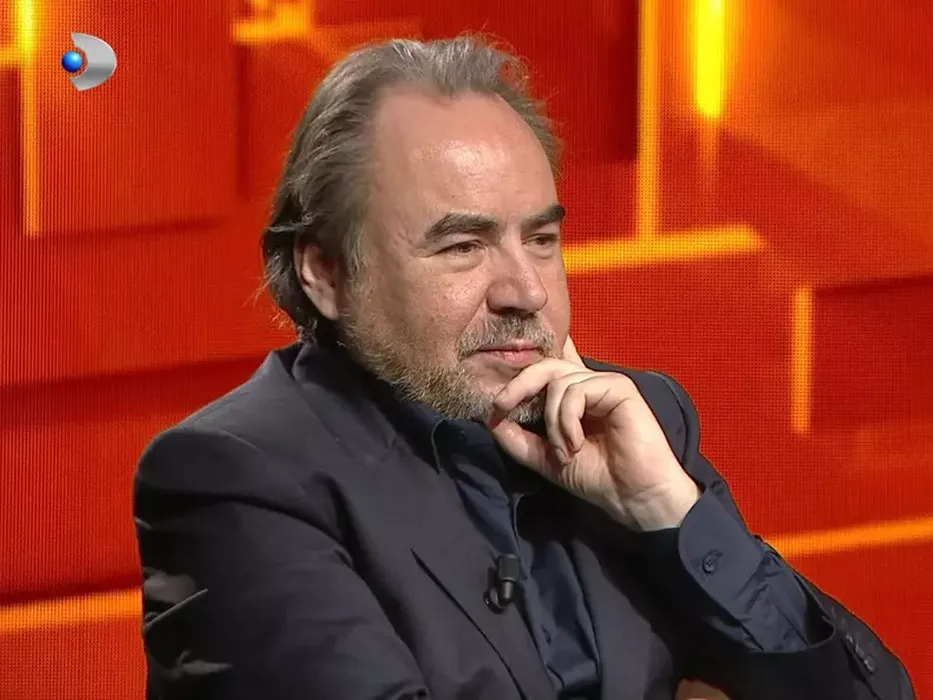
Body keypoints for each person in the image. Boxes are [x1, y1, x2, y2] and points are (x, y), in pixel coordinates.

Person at [134, 35, 915, 700]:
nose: (526, 291)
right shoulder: (237, 476)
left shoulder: (633, 423)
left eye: (540, 240)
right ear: (327, 273)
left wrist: (668, 512)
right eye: (462, 246)